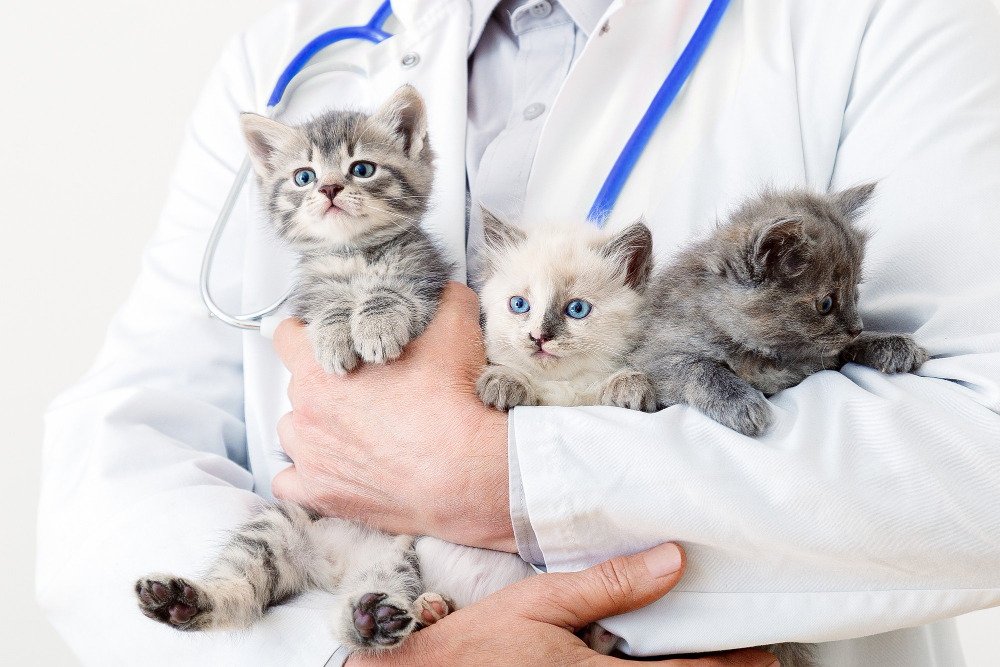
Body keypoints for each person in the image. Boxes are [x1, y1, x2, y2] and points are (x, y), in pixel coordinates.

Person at [36, 0, 1000, 665]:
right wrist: (359, 656)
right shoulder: (296, 40)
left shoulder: (890, 20)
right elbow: (121, 454)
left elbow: (981, 452)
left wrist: (501, 474)